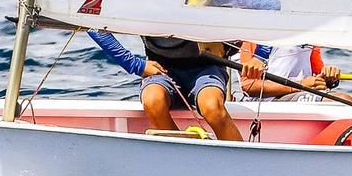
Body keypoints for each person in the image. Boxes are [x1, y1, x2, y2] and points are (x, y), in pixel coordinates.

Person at [89, 32, 242, 141]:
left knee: (212, 107)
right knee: (153, 101)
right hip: (161, 68)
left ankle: (243, 167)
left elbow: (262, 6)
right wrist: (135, 65)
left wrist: (259, 57)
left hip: (207, 68)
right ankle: (181, 162)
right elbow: (93, 26)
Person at [239, 42, 350, 101]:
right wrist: (300, 86)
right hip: (269, 101)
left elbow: (319, 76)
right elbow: (248, 86)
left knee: (346, 101)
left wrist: (330, 77)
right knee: (342, 101)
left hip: (302, 94)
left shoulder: (309, 36)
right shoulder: (258, 37)